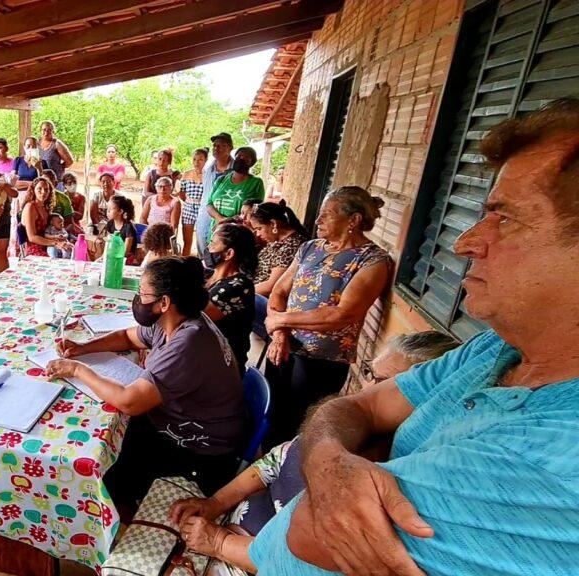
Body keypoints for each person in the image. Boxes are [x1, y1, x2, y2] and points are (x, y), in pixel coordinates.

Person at [250, 99, 579, 576]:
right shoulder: (496, 349)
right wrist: (329, 461)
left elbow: (307, 530)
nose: (465, 242)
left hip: (321, 355)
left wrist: (348, 455)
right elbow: (360, 408)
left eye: (505, 218)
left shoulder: (551, 456)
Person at [170, 331, 458, 576]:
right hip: (219, 533)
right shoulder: (342, 429)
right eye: (369, 373)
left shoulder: (393, 485)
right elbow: (272, 463)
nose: (367, 388)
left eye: (385, 383)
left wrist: (219, 542)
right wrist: (215, 503)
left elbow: (297, 564)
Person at [46, 257, 248, 517]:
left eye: (142, 294)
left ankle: (119, 521)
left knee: (104, 464)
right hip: (183, 422)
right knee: (111, 435)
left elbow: (130, 401)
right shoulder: (173, 321)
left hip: (203, 451)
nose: (138, 300)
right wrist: (83, 348)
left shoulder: (188, 342)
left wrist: (78, 369)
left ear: (164, 303)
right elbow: (127, 336)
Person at [263, 186, 393, 449]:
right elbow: (280, 291)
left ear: (353, 220)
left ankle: (285, 481)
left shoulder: (372, 261)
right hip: (284, 345)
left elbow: (343, 314)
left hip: (322, 361)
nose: (318, 220)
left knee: (299, 425)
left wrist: (281, 321)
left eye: (327, 214)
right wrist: (280, 333)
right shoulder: (310, 248)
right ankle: (260, 470)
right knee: (273, 412)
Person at [247, 202, 309, 338]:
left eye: (259, 229)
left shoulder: (292, 246)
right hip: (257, 294)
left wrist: (241, 289)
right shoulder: (277, 241)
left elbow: (271, 286)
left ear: (273, 224)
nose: (257, 234)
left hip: (271, 304)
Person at [203, 222, 257, 367]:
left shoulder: (238, 287)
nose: (208, 248)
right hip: (201, 353)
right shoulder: (209, 275)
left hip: (222, 366)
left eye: (213, 244)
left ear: (229, 254)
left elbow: (192, 316)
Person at [206, 147, 265, 238]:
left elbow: (254, 209)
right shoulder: (221, 179)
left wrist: (229, 221)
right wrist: (221, 219)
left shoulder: (256, 183)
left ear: (252, 162)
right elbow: (209, 204)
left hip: (237, 234)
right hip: (216, 232)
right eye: (239, 156)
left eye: (246, 158)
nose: (241, 159)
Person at [197, 133, 236, 255]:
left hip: (225, 215)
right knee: (202, 244)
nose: (216, 148)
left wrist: (222, 218)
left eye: (221, 146)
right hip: (205, 213)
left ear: (230, 148)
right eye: (214, 145)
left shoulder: (236, 170)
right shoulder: (209, 167)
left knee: (222, 248)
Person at [22, 177, 72, 258]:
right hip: (34, 246)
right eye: (39, 189)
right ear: (33, 190)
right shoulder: (30, 207)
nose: (43, 192)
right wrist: (56, 243)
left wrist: (61, 240)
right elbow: (32, 237)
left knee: (71, 250)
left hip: (47, 243)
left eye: (46, 190)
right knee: (55, 261)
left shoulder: (46, 207)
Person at [179, 147, 208, 255]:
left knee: (202, 240)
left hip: (203, 209)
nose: (197, 162)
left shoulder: (208, 175)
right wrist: (190, 202)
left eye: (200, 159)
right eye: (194, 159)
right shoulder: (186, 174)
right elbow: (181, 193)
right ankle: (184, 263)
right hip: (188, 208)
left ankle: (202, 264)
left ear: (206, 160)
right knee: (187, 240)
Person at [104, 194, 140, 266]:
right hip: (113, 256)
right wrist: (103, 257)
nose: (107, 211)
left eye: (110, 209)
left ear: (120, 211)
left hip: (126, 260)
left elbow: (125, 253)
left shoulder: (129, 227)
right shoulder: (110, 224)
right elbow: (107, 244)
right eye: (107, 209)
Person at [61, 171, 86, 235]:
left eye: (74, 182)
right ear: (64, 185)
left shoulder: (81, 197)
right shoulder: (61, 197)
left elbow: (80, 216)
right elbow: (60, 216)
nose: (73, 185)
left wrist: (68, 210)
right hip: (62, 225)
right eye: (69, 183)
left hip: (76, 225)